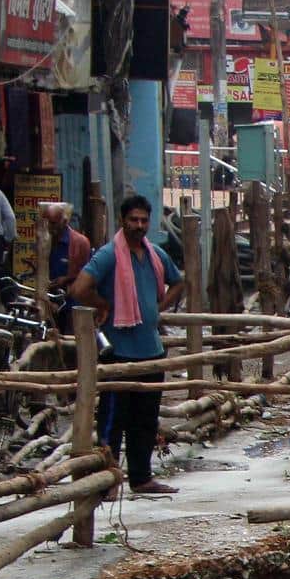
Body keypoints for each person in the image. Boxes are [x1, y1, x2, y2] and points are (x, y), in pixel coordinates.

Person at [67, 194, 184, 496]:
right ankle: (107, 478)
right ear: (123, 221)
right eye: (133, 220)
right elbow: (80, 288)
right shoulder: (109, 255)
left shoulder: (155, 254)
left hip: (151, 350)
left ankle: (141, 478)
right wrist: (103, 303)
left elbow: (180, 282)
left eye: (144, 220)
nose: (139, 226)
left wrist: (159, 309)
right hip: (119, 351)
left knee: (145, 421)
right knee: (112, 420)